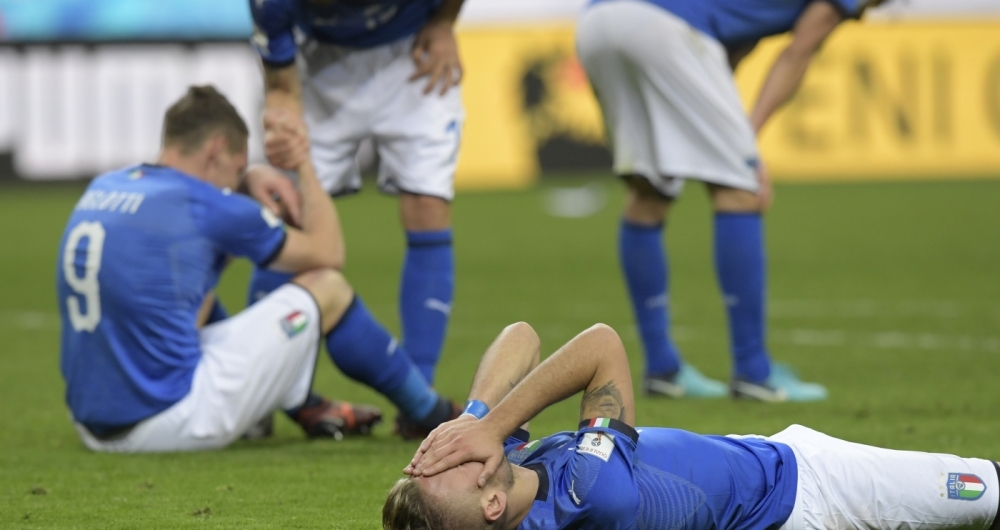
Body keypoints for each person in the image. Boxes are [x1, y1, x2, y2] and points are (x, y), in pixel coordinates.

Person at [56, 86, 458, 452]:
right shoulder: (203, 205)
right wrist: (303, 165)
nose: (233, 183)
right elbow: (328, 252)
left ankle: (301, 405)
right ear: (217, 149)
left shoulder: (107, 186)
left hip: (91, 426)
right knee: (328, 288)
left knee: (190, 290)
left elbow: (186, 261)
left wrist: (244, 180)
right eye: (237, 168)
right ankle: (427, 411)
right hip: (167, 419)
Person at [386, 323, 1000, 530]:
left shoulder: (510, 475)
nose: (447, 451)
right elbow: (601, 346)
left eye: (432, 455)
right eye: (447, 465)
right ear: (491, 504)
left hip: (775, 483)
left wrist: (472, 418)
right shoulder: (588, 496)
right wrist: (490, 425)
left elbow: (521, 336)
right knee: (987, 490)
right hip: (807, 491)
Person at [574, 0, 887, 400]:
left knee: (648, 190)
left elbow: (726, 53)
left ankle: (663, 367)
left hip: (597, 22)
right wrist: (746, 147)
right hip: (663, 27)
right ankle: (753, 371)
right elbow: (797, 54)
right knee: (741, 189)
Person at [245, 0, 465, 435]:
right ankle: (253, 396)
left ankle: (419, 396)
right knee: (292, 213)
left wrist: (443, 22)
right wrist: (281, 116)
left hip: (411, 55)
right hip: (321, 64)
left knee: (427, 204)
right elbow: (280, 84)